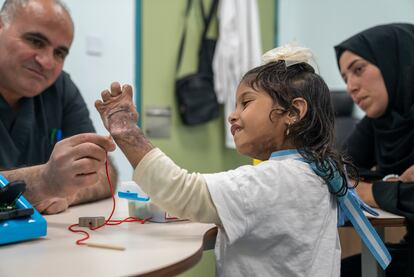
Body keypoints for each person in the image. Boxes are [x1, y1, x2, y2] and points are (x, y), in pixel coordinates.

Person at [95, 45, 358, 276]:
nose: (232, 115)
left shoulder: (274, 180)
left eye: (246, 103)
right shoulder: (317, 172)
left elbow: (181, 191)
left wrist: (127, 132)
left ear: (293, 112)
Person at [0, 0, 117, 215]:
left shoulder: (60, 88)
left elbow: (105, 171)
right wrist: (44, 181)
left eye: (60, 53)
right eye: (35, 41)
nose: (47, 61)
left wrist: (69, 193)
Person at [335, 23, 414, 276]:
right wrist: (393, 184)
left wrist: (368, 190)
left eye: (358, 70)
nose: (351, 87)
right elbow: (336, 172)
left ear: (395, 61)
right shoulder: (380, 123)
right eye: (346, 78)